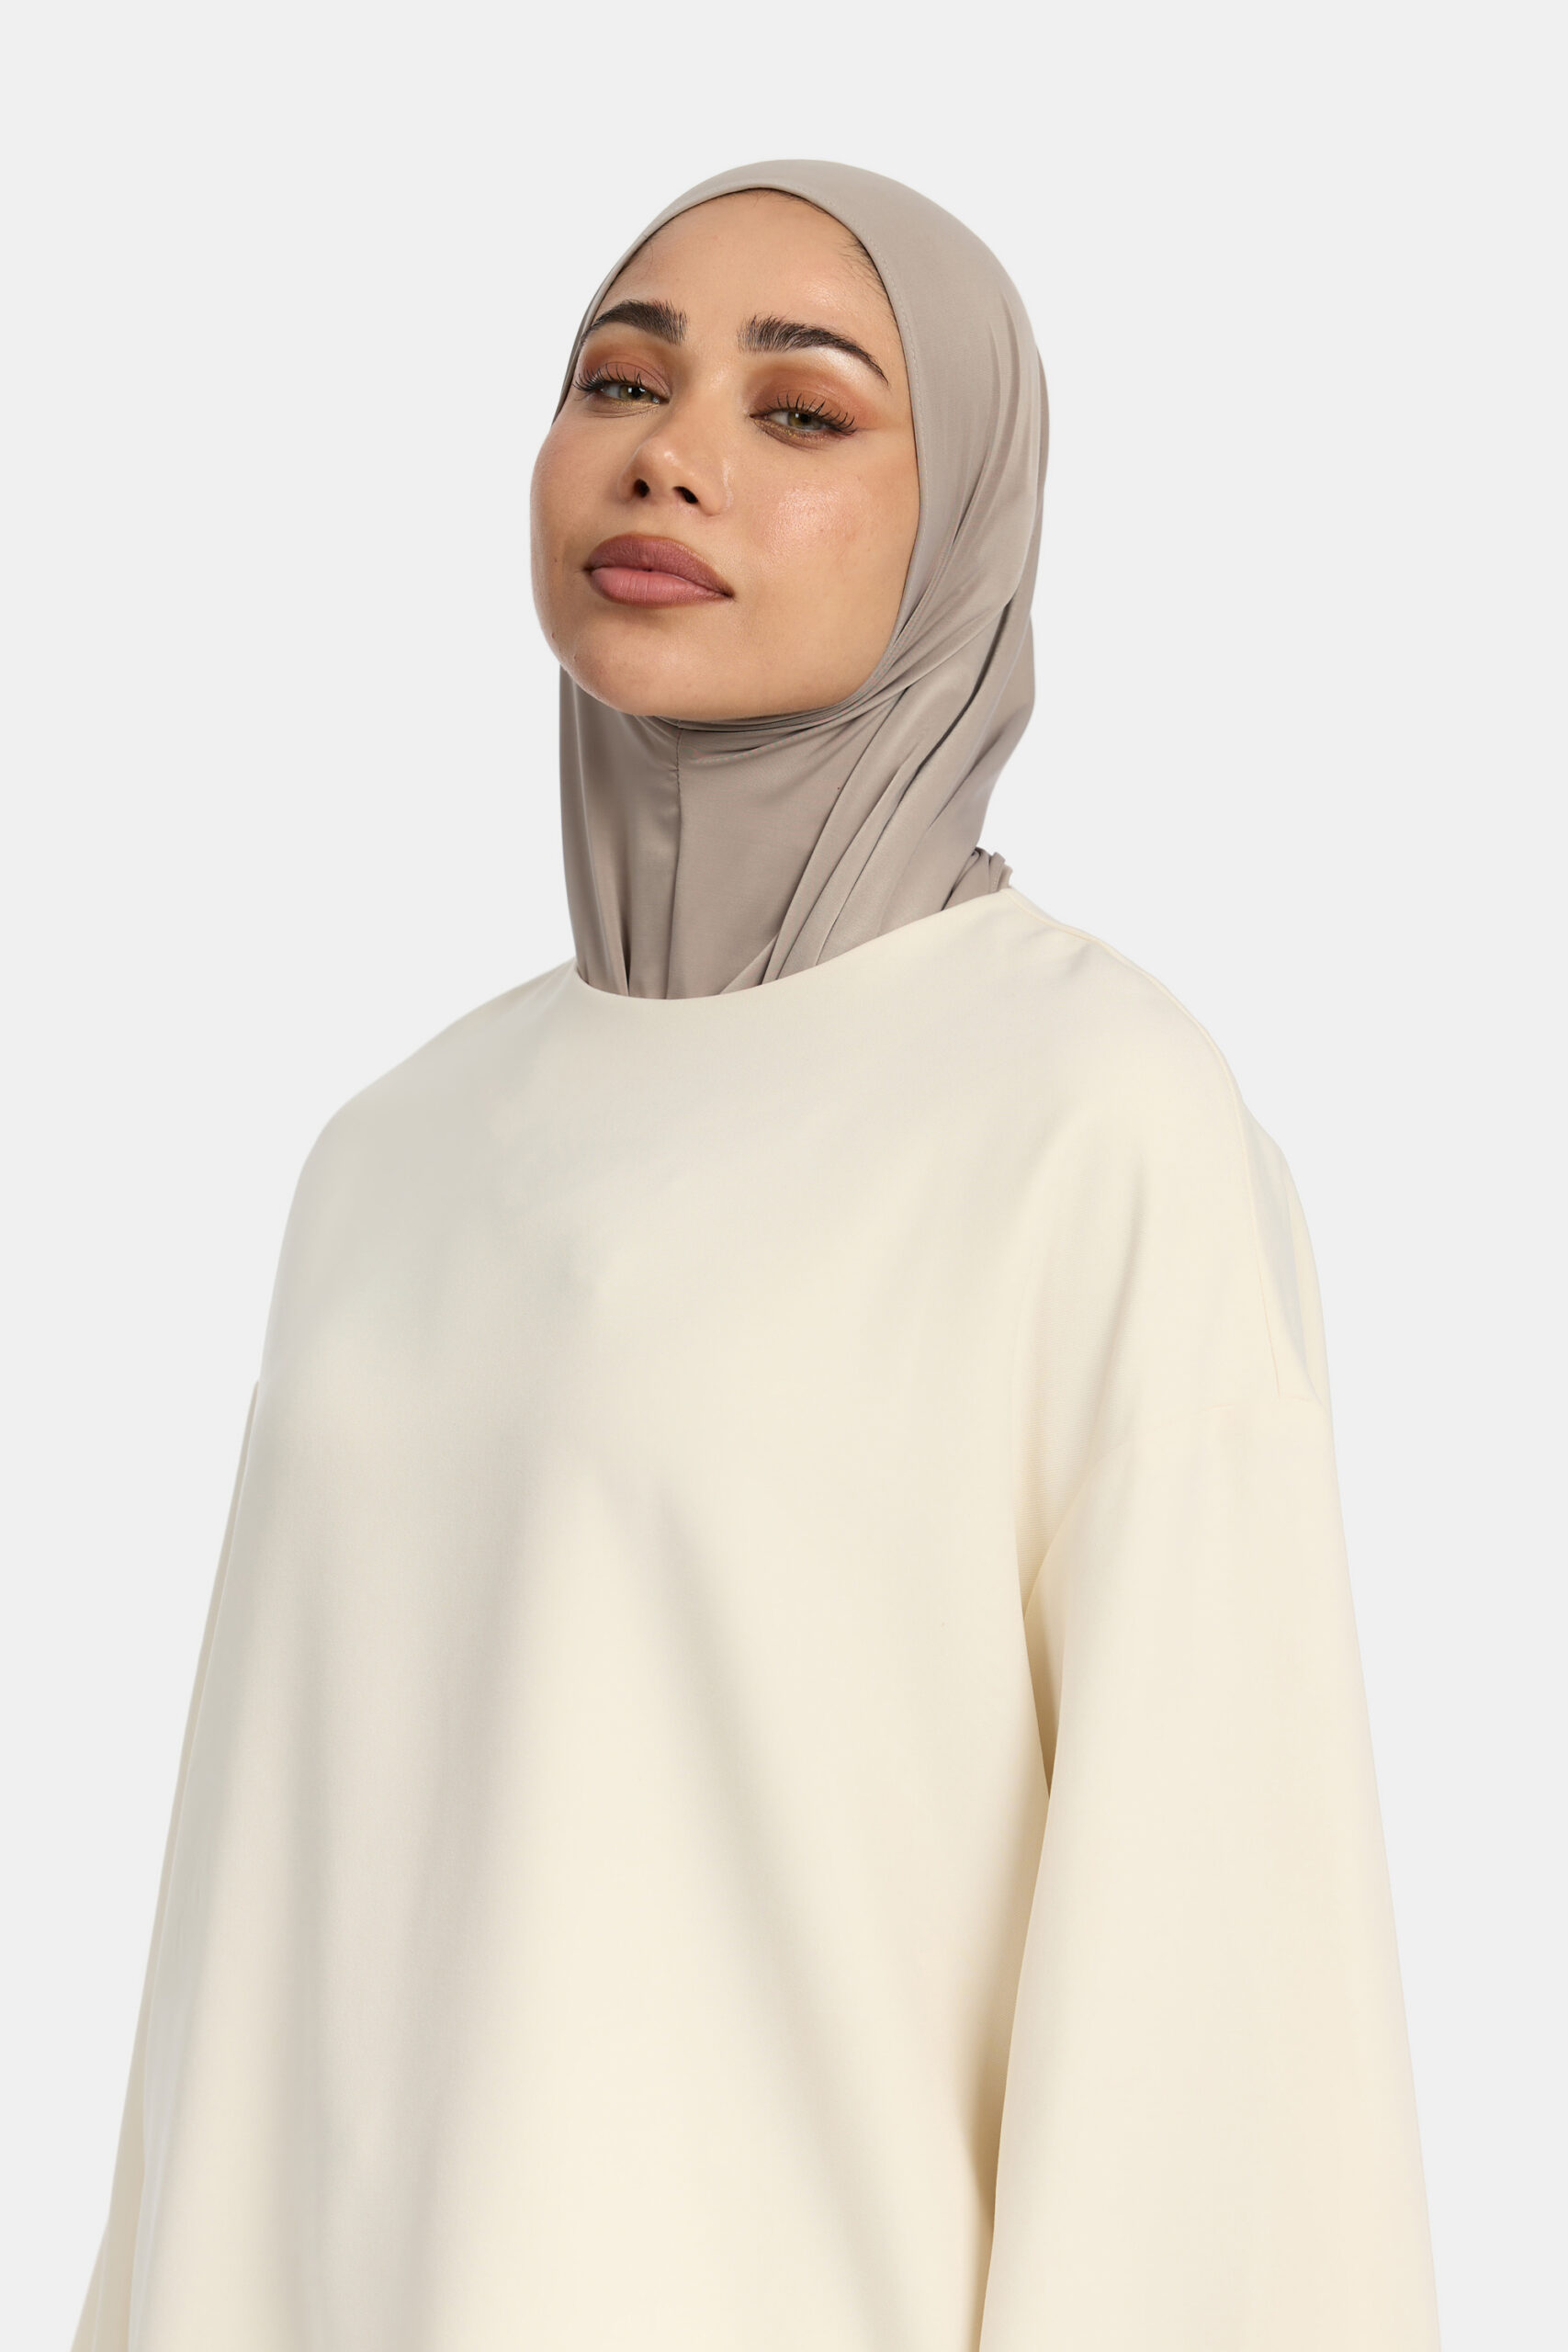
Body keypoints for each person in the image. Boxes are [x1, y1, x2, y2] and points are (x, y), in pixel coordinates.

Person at [70, 161, 1441, 2351]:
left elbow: (1221, 2028)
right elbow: (227, 1980)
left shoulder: (1088, 1119)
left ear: (963, 520)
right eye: (617, 380)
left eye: (799, 410)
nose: (667, 451)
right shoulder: (389, 1157)